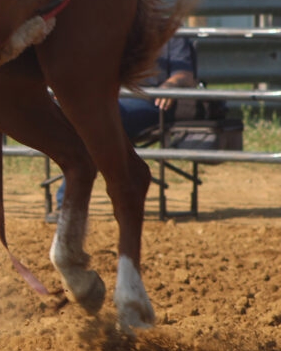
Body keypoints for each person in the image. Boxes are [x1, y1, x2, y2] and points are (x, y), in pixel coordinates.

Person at [51, 35, 197, 218]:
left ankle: (68, 203)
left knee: (96, 124)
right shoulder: (119, 31)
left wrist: (170, 84)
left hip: (151, 101)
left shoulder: (171, 36)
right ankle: (71, 201)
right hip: (111, 101)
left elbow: (185, 74)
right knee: (90, 121)